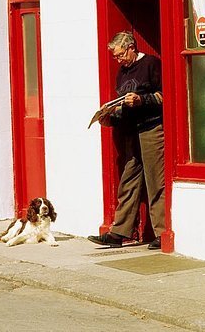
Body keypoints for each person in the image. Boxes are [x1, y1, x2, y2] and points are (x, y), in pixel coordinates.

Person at [88, 31, 165, 250]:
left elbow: (166, 94)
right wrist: (110, 117)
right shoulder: (122, 72)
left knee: (155, 181)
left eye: (121, 55)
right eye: (115, 57)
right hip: (131, 131)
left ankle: (161, 233)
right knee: (129, 180)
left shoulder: (151, 64)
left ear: (132, 47)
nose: (119, 60)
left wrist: (142, 99)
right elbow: (122, 103)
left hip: (151, 128)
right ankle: (119, 232)